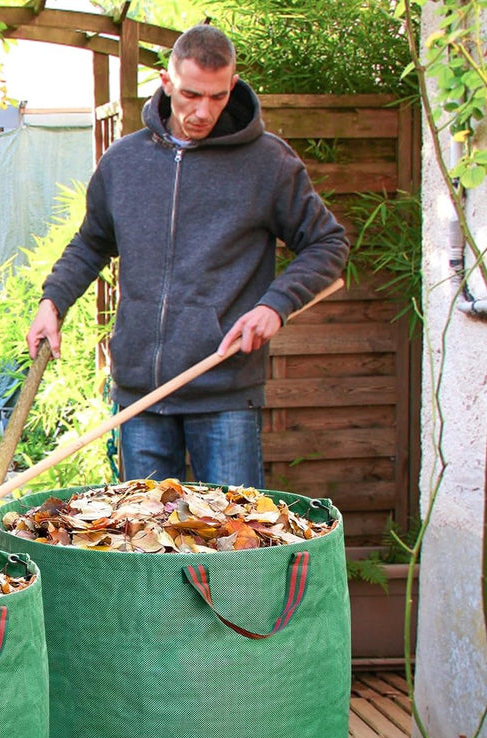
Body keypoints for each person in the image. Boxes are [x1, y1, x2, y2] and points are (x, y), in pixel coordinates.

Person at [26, 23, 349, 488]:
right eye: (190, 95)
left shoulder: (268, 163)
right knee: (146, 546)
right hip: (140, 395)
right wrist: (51, 302)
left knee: (237, 546)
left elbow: (328, 242)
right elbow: (92, 242)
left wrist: (274, 307)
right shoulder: (124, 162)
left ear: (232, 86)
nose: (202, 111)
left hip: (225, 392)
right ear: (165, 82)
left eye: (217, 97)